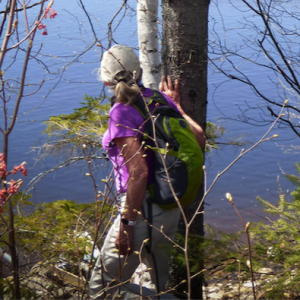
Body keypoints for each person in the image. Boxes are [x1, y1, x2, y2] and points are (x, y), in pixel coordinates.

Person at [89, 44, 206, 299]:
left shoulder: (121, 111)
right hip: (169, 206)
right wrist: (178, 107)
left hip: (141, 208)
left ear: (106, 81)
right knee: (160, 282)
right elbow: (199, 139)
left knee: (103, 287)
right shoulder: (159, 98)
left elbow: (139, 173)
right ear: (139, 72)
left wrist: (127, 225)